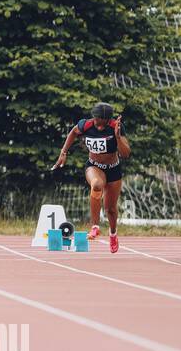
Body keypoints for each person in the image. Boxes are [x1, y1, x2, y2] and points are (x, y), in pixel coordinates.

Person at [52, 102, 130, 253]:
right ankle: (94, 226)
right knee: (96, 185)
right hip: (94, 166)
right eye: (95, 120)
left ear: (107, 120)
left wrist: (118, 137)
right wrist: (63, 152)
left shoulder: (116, 126)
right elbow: (73, 132)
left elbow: (126, 153)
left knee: (111, 209)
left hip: (113, 169)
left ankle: (113, 234)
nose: (97, 124)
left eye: (101, 122)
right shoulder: (86, 125)